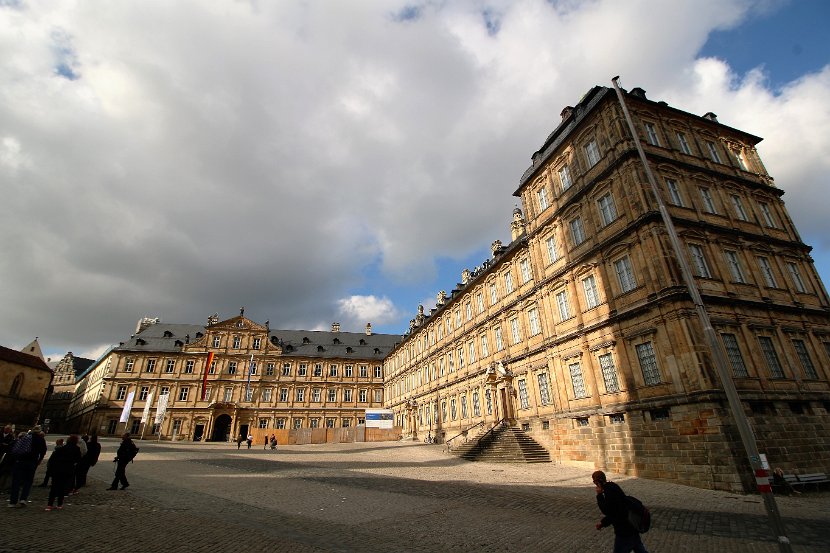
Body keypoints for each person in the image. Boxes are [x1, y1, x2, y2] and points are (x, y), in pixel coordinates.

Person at [592, 470, 649, 553]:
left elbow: (607, 511)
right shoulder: (613, 486)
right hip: (632, 526)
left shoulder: (608, 491)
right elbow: (615, 510)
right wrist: (603, 523)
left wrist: (599, 495)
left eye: (594, 482)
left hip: (624, 530)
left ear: (597, 482)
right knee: (640, 549)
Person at [8, 426, 47, 508]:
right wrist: (39, 460)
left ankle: (13, 501)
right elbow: (43, 451)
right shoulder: (41, 440)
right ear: (39, 432)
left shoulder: (26, 437)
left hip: (21, 461)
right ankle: (23, 499)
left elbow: (16, 448)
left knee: (16, 481)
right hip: (32, 462)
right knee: (28, 481)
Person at [45, 434, 82, 511]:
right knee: (63, 488)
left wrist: (51, 469)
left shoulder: (61, 448)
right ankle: (59, 504)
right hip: (68, 470)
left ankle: (49, 505)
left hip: (58, 470)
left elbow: (53, 459)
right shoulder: (76, 449)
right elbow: (78, 460)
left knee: (54, 487)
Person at [0, 425, 16, 491]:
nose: (6, 430)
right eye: (5, 429)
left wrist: (7, 445)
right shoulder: (0, 434)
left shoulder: (11, 436)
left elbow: (11, 445)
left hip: (5, 453)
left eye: (8, 429)